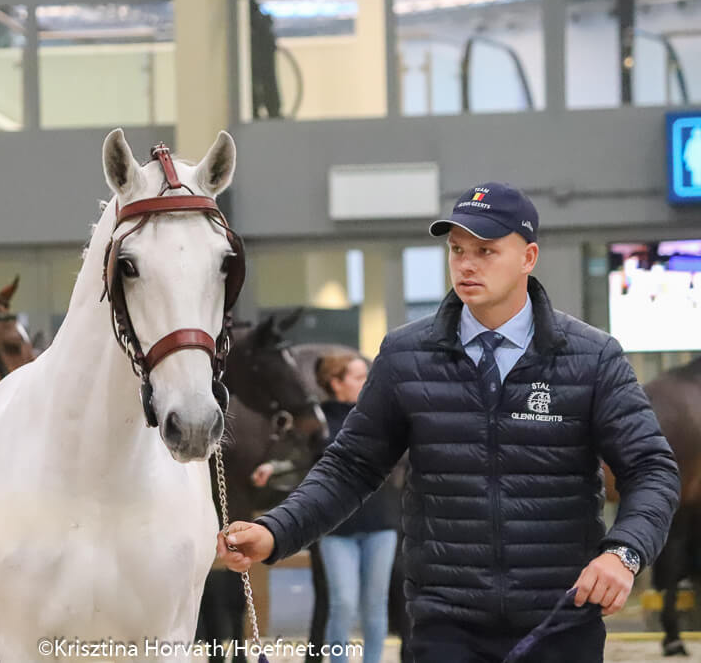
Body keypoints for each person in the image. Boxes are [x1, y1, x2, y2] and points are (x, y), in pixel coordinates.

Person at [217, 182, 681, 662]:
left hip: (561, 620)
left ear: (528, 257)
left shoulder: (591, 357)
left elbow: (652, 469)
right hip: (446, 626)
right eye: (457, 250)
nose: (466, 264)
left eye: (485, 250)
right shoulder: (406, 355)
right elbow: (351, 466)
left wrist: (623, 553)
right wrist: (276, 531)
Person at [314, 351, 400, 663]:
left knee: (375, 604)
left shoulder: (380, 414)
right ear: (336, 383)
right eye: (359, 377)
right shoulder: (319, 422)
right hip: (336, 528)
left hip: (381, 524)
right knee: (343, 603)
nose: (366, 382)